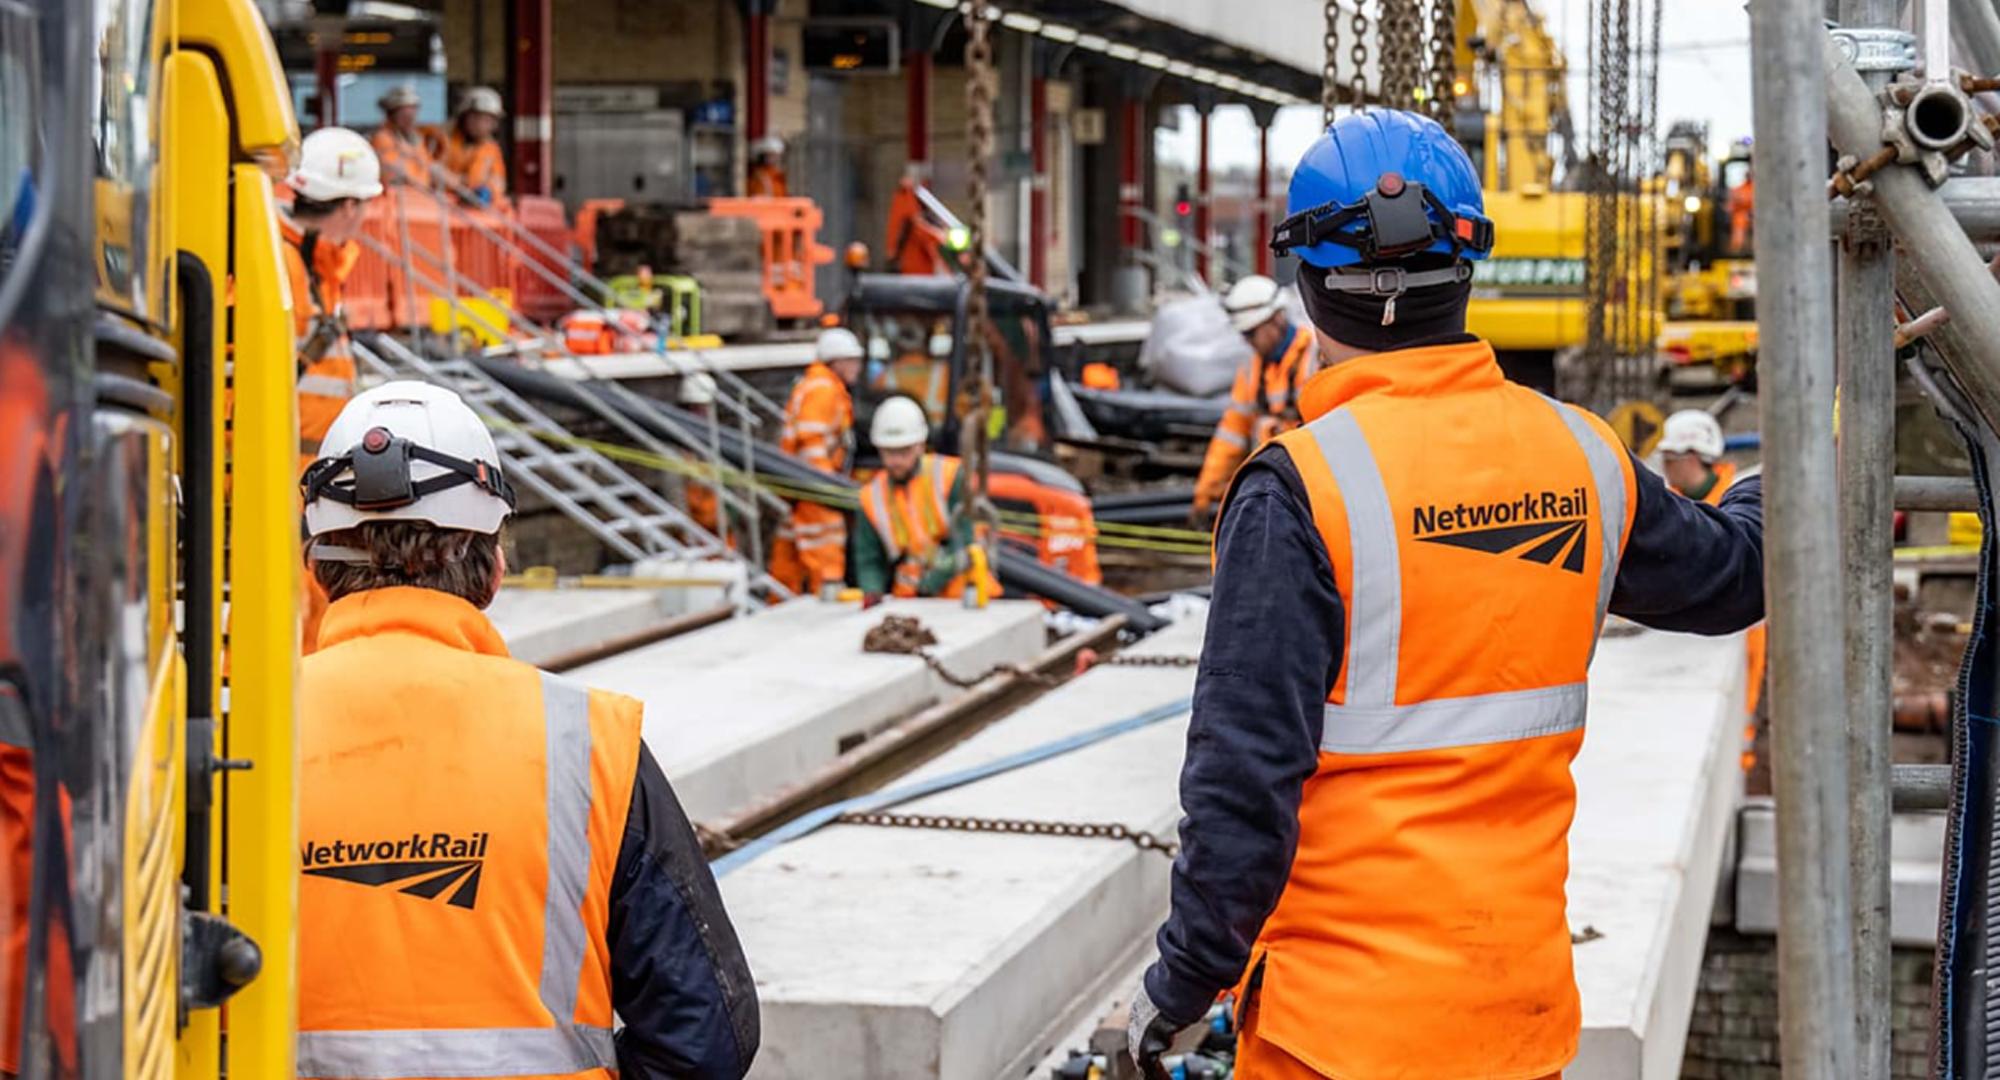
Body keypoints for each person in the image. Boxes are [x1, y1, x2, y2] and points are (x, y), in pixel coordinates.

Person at [1126, 110, 1765, 1080]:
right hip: (1514, 1020)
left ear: (1305, 287)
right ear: (1469, 267)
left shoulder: (1298, 487)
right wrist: (1820, 411)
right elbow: (1735, 575)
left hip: (1337, 1039)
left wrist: (1178, 987)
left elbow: (1241, 783)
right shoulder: (1583, 458)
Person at [296, 381, 760, 1080]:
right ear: (494, 569)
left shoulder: (231, 738)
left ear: (318, 568)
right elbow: (704, 1033)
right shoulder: (591, 742)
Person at [1659, 407, 1767, 716]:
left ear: (1691, 457)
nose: (1664, 467)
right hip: (1690, 646)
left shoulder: (1740, 504)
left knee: (1747, 701)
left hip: (1743, 627)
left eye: (1670, 458)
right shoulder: (1670, 507)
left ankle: (1745, 753)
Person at [1191, 274, 1319, 520]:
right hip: (1275, 486)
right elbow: (1231, 434)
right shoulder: (1252, 370)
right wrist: (1206, 493)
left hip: (1313, 487)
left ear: (1276, 320)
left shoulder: (1315, 358)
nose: (1246, 341)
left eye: (1251, 333)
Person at [852, 395, 974, 600]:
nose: (895, 461)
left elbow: (966, 544)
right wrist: (872, 591)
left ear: (920, 445)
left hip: (963, 594)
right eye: (889, 453)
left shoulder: (950, 477)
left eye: (903, 452)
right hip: (910, 598)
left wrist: (932, 582)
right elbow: (869, 559)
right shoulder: (871, 498)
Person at [771, 328, 862, 594]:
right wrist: (828, 488)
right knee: (826, 551)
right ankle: (827, 602)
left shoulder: (815, 385)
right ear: (837, 361)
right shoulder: (823, 390)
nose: (857, 367)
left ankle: (779, 606)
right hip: (813, 488)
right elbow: (812, 442)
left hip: (799, 486)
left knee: (789, 555)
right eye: (853, 360)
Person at [441, 86, 508, 208]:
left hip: (472, 211)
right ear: (464, 117)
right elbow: (429, 171)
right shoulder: (442, 140)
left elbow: (498, 181)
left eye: (489, 120)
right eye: (478, 118)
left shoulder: (491, 149)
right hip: (441, 206)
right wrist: (460, 183)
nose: (483, 125)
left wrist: (488, 191)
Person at [679, 372, 725, 539]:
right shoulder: (679, 449)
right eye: (696, 408)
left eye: (704, 408)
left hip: (720, 527)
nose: (701, 414)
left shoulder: (720, 441)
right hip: (694, 529)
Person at [370, 84, 435, 189]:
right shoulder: (383, 138)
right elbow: (394, 176)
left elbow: (432, 169)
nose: (410, 120)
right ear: (391, 115)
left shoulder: (416, 139)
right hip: (398, 199)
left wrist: (458, 183)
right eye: (403, 115)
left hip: (423, 199)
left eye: (412, 115)